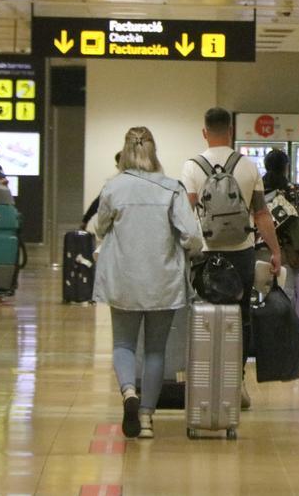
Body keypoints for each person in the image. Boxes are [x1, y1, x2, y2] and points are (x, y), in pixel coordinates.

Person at [94, 127, 203, 440]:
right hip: (163, 281)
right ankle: (146, 419)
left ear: (125, 152)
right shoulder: (172, 189)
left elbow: (101, 227)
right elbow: (192, 236)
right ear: (153, 152)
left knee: (123, 344)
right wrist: (189, 253)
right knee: (156, 350)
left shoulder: (113, 188)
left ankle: (129, 393)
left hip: (124, 279)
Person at [181, 107, 282, 411]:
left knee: (204, 318)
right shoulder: (248, 166)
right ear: (231, 131)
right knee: (241, 318)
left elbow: (186, 216)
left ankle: (206, 382)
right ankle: (235, 381)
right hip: (241, 252)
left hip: (206, 256)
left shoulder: (191, 166)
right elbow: (262, 214)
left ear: (204, 132)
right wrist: (275, 252)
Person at [262, 149, 299, 275]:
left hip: (262, 245)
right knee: (289, 289)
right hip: (290, 247)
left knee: (264, 287)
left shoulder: (258, 189)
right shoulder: (295, 190)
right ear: (285, 167)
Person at [81, 152, 120, 229]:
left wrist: (85, 220)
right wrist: (85, 220)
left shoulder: (113, 184)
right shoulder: (113, 184)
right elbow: (98, 201)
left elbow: (98, 201)